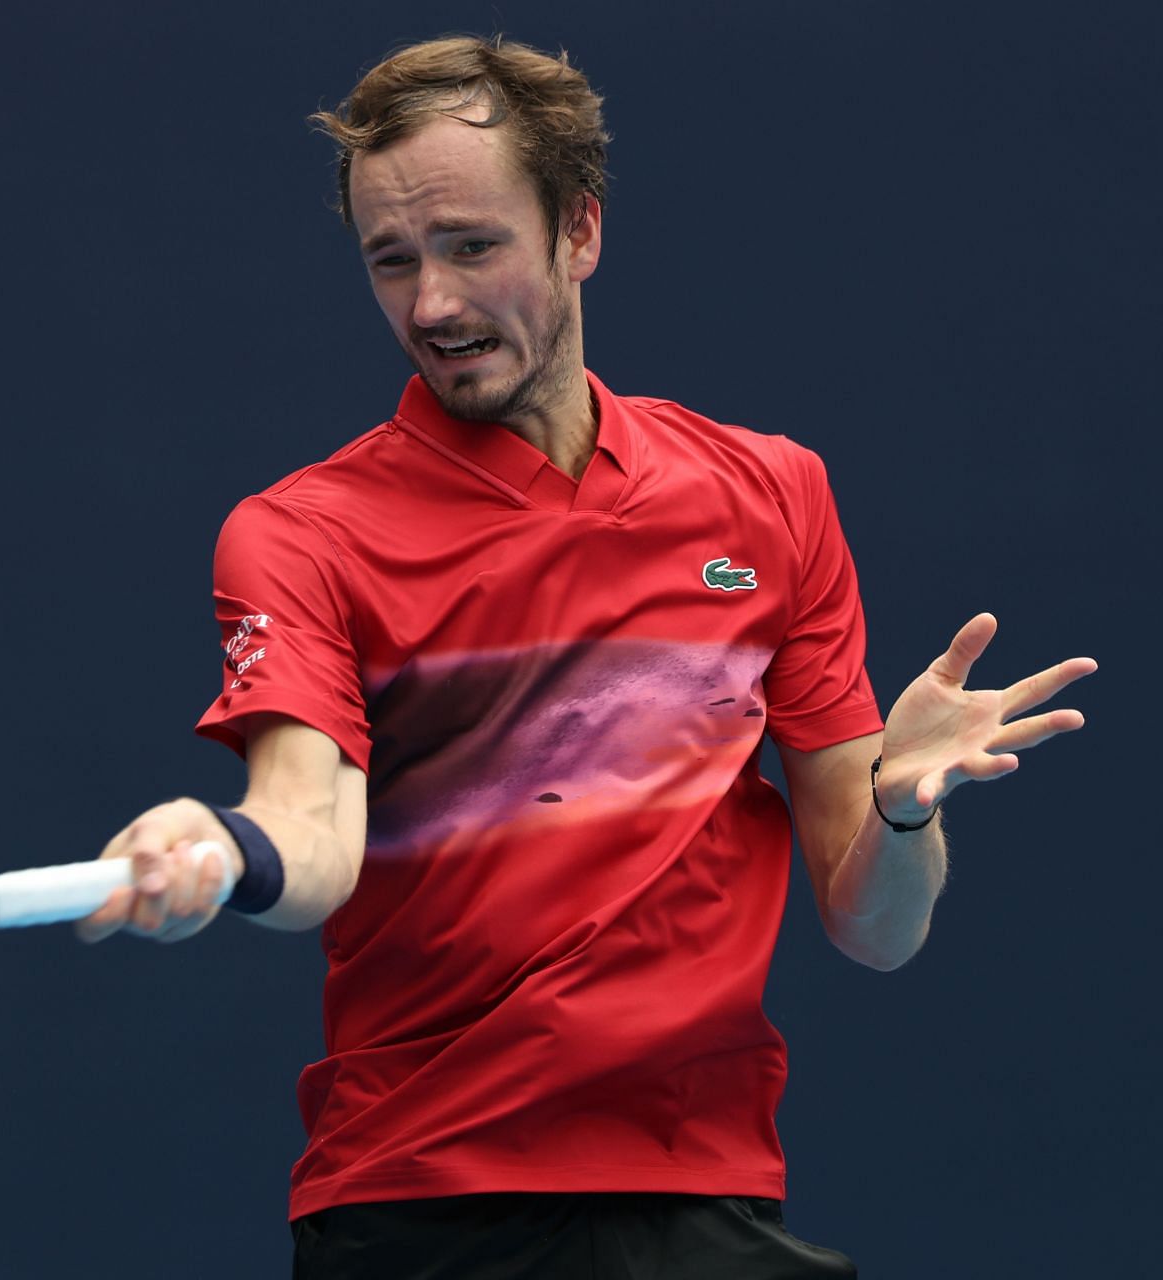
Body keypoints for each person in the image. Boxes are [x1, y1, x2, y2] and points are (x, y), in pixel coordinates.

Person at [75, 34, 1095, 1280]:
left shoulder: (769, 496)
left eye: (472, 244)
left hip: (706, 1183)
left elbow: (876, 926)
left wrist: (896, 805)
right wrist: (229, 847)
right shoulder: (300, 534)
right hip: (423, 1203)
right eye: (390, 261)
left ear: (580, 233)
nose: (432, 304)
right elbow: (314, 834)